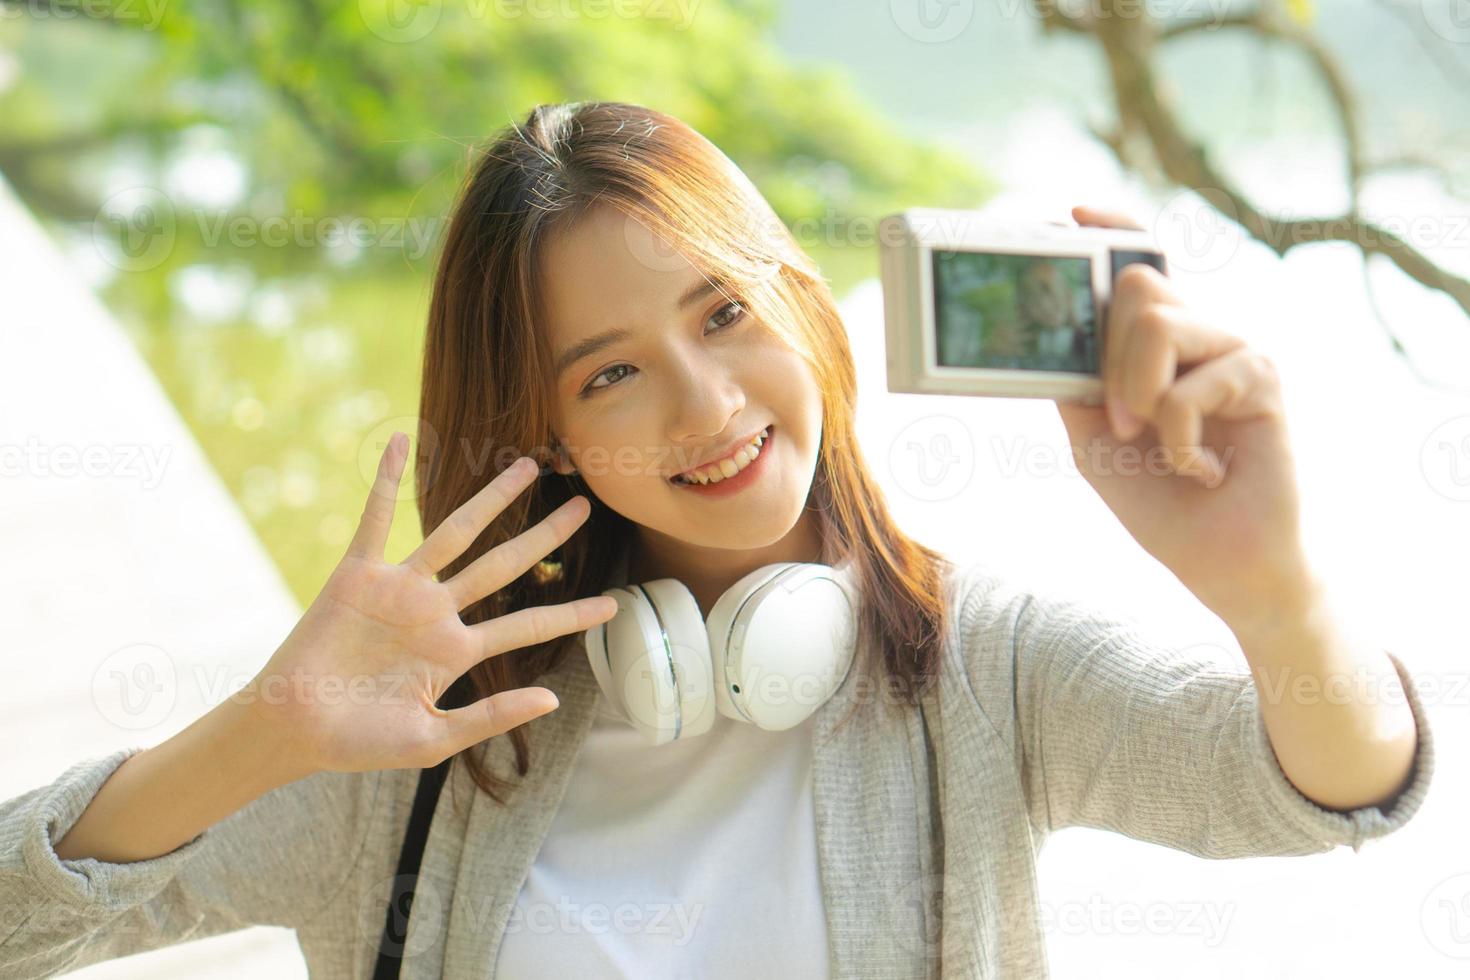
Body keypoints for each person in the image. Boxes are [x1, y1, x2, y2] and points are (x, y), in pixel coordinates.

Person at [0, 101, 1435, 979]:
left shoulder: (975, 666)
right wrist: (265, 732)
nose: (706, 407)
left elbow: (1328, 792)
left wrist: (1270, 585)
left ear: (800, 308)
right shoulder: (426, 745)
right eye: (609, 371)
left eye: (724, 315)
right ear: (544, 430)